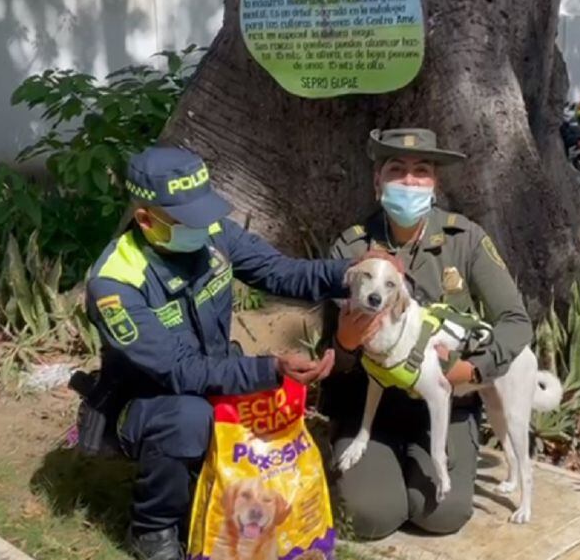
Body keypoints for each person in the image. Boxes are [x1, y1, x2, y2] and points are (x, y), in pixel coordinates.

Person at [84, 146, 347, 560]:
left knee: (266, 409)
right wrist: (269, 369)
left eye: (204, 214)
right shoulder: (116, 283)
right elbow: (178, 371)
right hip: (145, 401)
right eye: (188, 220)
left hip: (215, 375)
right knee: (189, 418)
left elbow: (280, 271)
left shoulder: (213, 235)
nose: (203, 227)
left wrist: (352, 273)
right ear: (146, 220)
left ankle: (211, 488)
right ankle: (153, 528)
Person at [319, 128, 533, 539]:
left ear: (435, 183)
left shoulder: (464, 239)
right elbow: (332, 355)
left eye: (421, 171)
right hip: (372, 404)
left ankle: (422, 462)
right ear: (377, 181)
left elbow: (515, 321)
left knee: (442, 515)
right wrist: (346, 344)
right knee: (372, 516)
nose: (410, 181)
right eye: (396, 170)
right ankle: (377, 463)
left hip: (443, 404)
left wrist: (474, 370)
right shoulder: (352, 249)